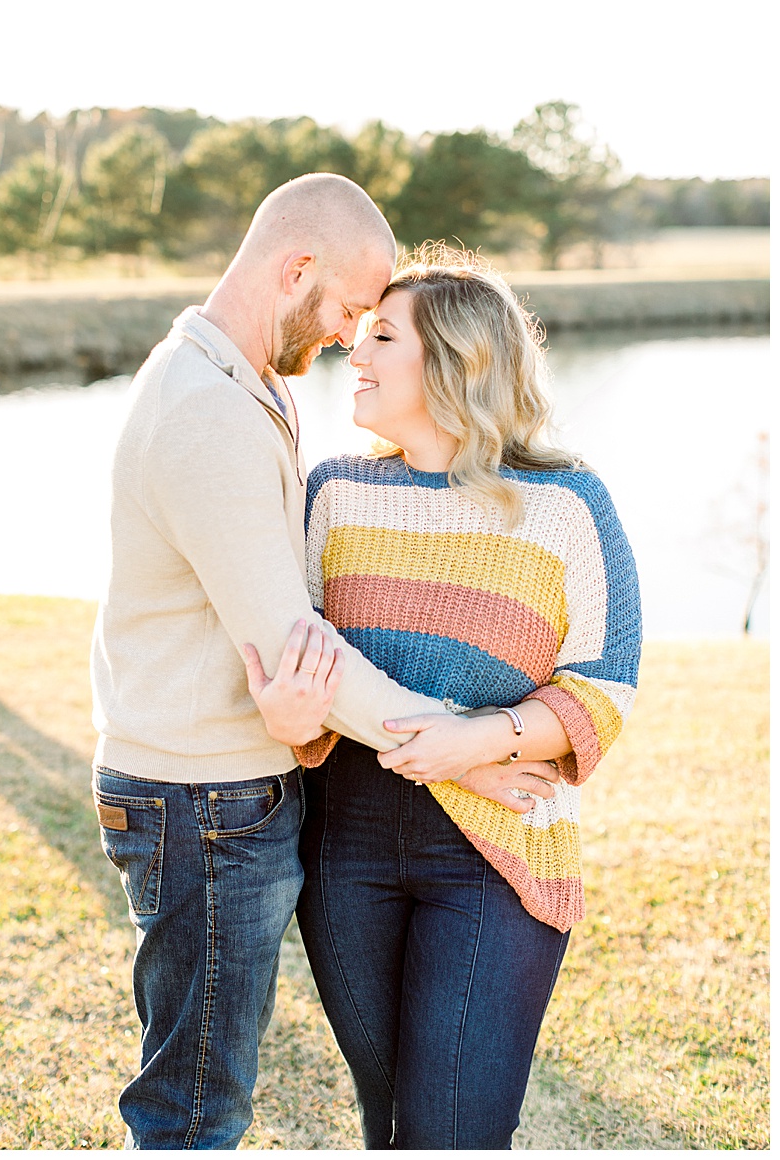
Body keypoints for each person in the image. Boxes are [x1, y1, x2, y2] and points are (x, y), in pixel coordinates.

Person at [89, 174, 559, 1148]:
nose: (355, 335)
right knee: (193, 1111)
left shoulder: (243, 383)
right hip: (204, 805)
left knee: (203, 1092)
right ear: (296, 268)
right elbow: (304, 654)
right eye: (351, 308)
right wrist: (462, 742)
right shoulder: (208, 411)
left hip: (218, 795)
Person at [277, 248, 641, 1148]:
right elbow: (306, 666)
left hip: (497, 858)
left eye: (381, 337)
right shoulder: (334, 493)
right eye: (357, 336)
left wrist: (478, 747)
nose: (352, 353)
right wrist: (441, 752)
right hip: (345, 847)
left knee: (453, 1131)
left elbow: (607, 682)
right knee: (392, 1123)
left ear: (457, 359)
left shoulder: (565, 504)